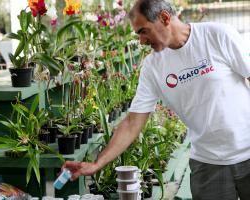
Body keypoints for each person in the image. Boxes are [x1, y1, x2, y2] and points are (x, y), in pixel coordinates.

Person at [62, 0, 250, 199]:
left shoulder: (217, 35)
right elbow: (132, 122)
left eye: (144, 31)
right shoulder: (153, 67)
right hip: (207, 164)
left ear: (165, 18)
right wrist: (96, 164)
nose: (141, 41)